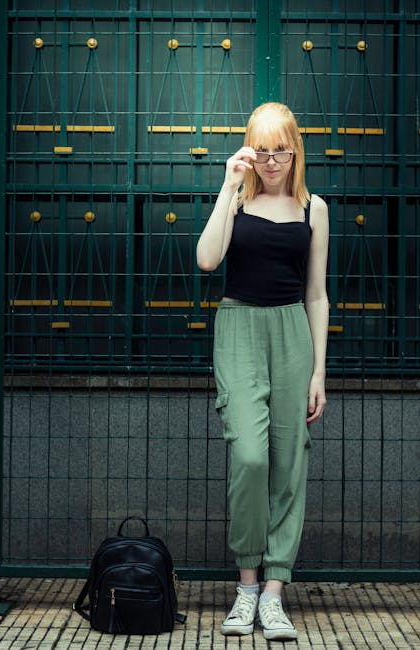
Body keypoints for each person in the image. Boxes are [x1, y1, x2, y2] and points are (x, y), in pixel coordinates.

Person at [196, 102, 329, 641]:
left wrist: (319, 370)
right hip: (239, 331)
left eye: (281, 150)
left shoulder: (312, 208)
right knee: (250, 457)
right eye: (262, 149)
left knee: (288, 463)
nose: (272, 161)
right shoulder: (238, 200)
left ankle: (274, 591)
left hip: (292, 334)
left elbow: (317, 294)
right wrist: (228, 186)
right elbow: (207, 260)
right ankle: (245, 586)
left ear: (294, 150)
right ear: (249, 150)